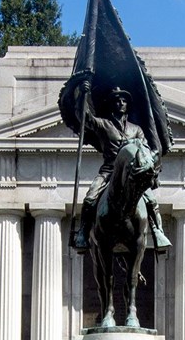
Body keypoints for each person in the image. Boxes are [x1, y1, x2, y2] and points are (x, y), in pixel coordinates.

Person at [72, 85, 171, 252]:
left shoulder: (136, 129)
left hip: (131, 173)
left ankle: (157, 231)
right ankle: (82, 232)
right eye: (117, 100)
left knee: (151, 201)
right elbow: (86, 118)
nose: (121, 103)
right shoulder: (104, 124)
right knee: (90, 198)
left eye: (124, 100)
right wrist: (82, 95)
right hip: (109, 171)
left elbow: (145, 149)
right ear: (111, 104)